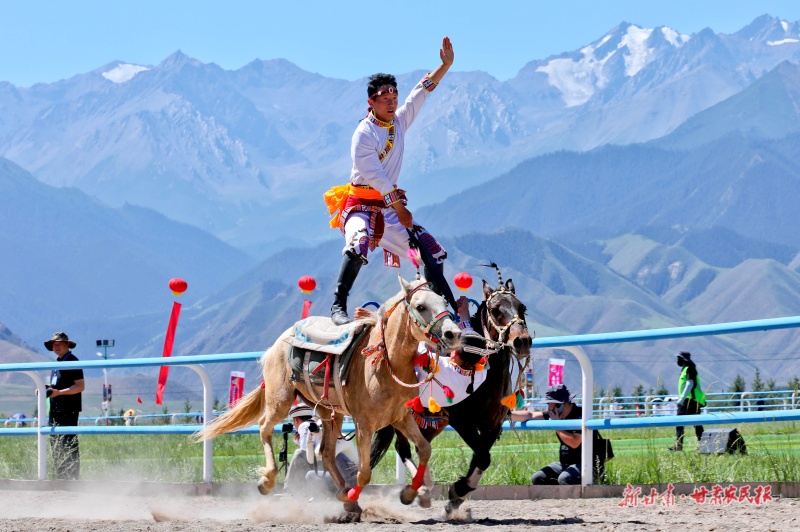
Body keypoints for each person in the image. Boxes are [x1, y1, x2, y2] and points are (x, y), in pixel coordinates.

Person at [324, 37, 455, 325]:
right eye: (385, 100)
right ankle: (338, 304)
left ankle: (436, 311)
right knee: (358, 243)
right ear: (371, 102)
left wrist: (444, 66)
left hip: (389, 210)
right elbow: (377, 178)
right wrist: (400, 209)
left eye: (394, 99)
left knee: (433, 251)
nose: (392, 104)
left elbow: (420, 92)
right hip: (361, 206)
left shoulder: (398, 122)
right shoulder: (363, 133)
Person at [511, 384, 611, 485]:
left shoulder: (580, 415)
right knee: (538, 478)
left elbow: (574, 442)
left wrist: (556, 425)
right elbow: (530, 415)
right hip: (566, 464)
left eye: (550, 404)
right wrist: (507, 414)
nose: (548, 408)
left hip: (589, 466)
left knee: (565, 478)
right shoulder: (555, 414)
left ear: (561, 405)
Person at [283, 399, 358, 494]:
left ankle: (344, 490)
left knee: (337, 457)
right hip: (337, 476)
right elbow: (311, 460)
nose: (322, 431)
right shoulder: (324, 442)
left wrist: (315, 440)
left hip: (351, 479)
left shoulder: (343, 439)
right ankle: (327, 494)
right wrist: (310, 440)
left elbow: (324, 457)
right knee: (310, 475)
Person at [44, 332, 85, 480]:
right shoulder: (57, 362)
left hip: (68, 409)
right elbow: (56, 385)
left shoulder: (73, 361)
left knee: (68, 442)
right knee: (56, 442)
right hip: (55, 408)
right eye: (54, 344)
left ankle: (72, 477)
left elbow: (80, 386)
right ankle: (61, 475)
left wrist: (59, 393)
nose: (56, 347)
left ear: (67, 345)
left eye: (59, 344)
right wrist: (45, 389)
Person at [668, 351, 706, 451]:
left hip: (690, 400)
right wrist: (677, 398)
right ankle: (704, 445)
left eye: (679, 358)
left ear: (683, 359)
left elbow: (690, 384)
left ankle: (679, 445)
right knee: (696, 423)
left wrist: (681, 399)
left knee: (680, 421)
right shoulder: (686, 369)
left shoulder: (690, 368)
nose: (677, 360)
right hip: (690, 399)